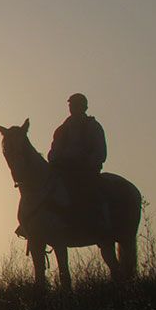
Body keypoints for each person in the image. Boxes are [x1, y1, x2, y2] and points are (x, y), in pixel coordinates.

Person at [48, 92, 106, 228]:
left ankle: (99, 220)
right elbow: (53, 152)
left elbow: (100, 152)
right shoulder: (62, 129)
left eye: (76, 105)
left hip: (85, 170)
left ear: (84, 107)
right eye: (71, 105)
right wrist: (56, 160)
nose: (73, 108)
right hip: (63, 169)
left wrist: (84, 163)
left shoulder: (92, 127)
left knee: (90, 192)